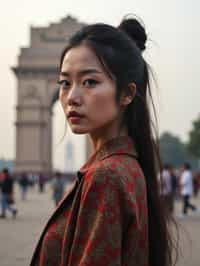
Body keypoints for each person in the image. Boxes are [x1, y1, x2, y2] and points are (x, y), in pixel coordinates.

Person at [30, 17, 175, 266]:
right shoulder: (129, 167)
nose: (72, 97)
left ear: (127, 93)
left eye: (90, 82)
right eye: (65, 83)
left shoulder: (105, 177)